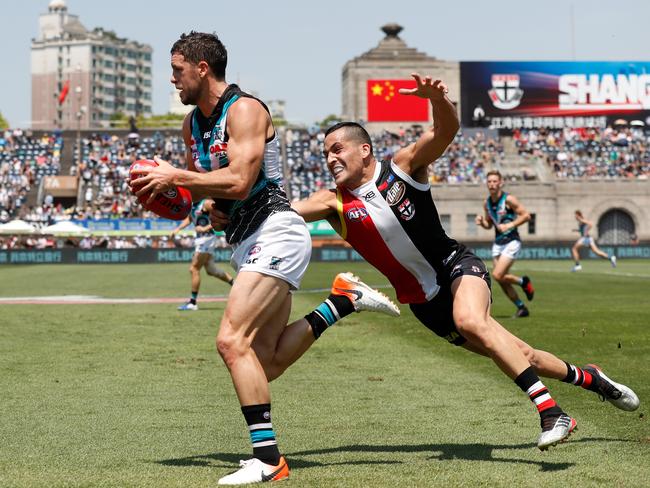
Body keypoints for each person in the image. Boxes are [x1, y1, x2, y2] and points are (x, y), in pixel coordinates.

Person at [237, 74, 637, 454]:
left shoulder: (402, 168)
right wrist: (229, 208)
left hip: (456, 266)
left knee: (471, 322)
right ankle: (592, 379)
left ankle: (552, 414)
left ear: (364, 150)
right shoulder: (331, 202)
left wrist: (438, 101)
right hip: (424, 305)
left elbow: (444, 132)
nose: (329, 159)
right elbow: (281, 213)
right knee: (521, 355)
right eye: (325, 153)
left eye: (337, 149)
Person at [130, 31, 399, 485]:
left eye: (177, 70)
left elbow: (237, 180)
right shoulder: (191, 124)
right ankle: (342, 301)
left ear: (201, 68)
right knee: (265, 360)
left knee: (230, 341)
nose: (172, 80)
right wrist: (208, 206)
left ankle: (269, 459)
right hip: (246, 239)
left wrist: (181, 178)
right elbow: (219, 191)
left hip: (277, 231)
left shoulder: (246, 110)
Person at [475, 171, 534, 317]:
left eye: (495, 181)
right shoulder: (486, 203)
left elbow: (526, 215)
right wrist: (482, 223)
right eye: (489, 182)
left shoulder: (509, 199)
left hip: (511, 241)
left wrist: (510, 225)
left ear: (501, 183)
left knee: (497, 274)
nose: (492, 184)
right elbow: (489, 224)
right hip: (498, 242)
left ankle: (523, 282)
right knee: (501, 279)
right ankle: (521, 307)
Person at [171, 197, 234, 311]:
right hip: (201, 240)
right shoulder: (191, 205)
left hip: (207, 239)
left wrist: (206, 228)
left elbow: (223, 215)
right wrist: (178, 229)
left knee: (194, 269)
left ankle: (193, 302)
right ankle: (235, 284)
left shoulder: (206, 203)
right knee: (211, 270)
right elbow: (190, 218)